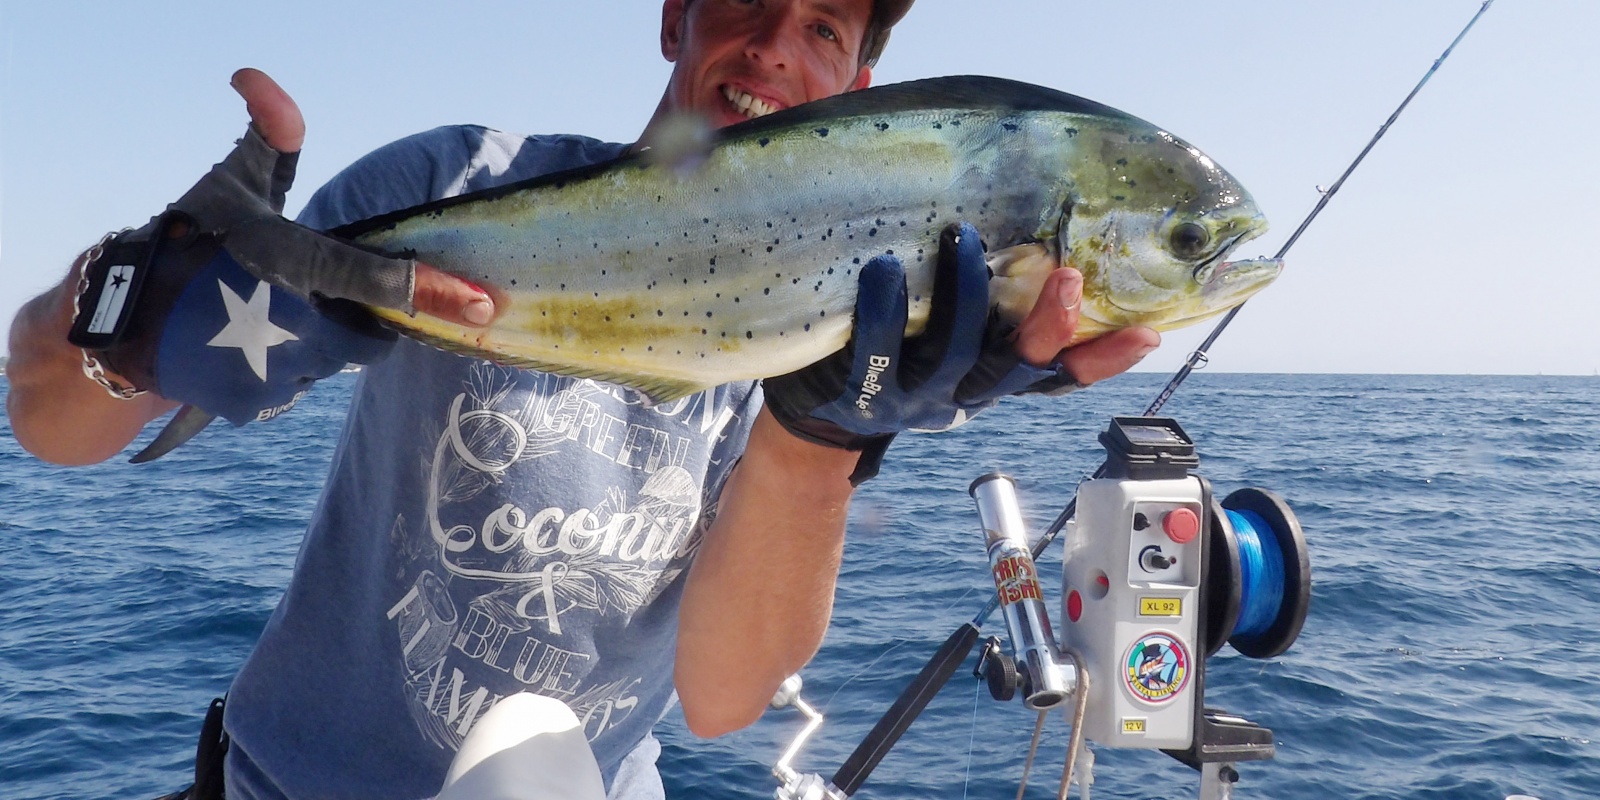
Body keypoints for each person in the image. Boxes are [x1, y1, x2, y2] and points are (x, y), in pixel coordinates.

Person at [5, 1, 1161, 797]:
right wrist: (127, 301)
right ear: (676, 15)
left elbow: (720, 697)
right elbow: (52, 426)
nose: (770, 49)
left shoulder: (861, 312)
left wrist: (817, 439)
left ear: (856, 86)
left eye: (821, 26)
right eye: (746, 1)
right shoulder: (455, 184)